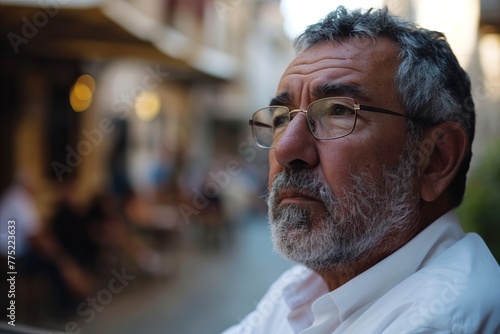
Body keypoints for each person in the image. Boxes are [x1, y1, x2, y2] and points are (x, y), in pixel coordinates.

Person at [223, 6, 500, 334]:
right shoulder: (307, 286)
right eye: (281, 118)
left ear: (434, 160)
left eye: (339, 111)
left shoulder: (438, 321)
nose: (285, 150)